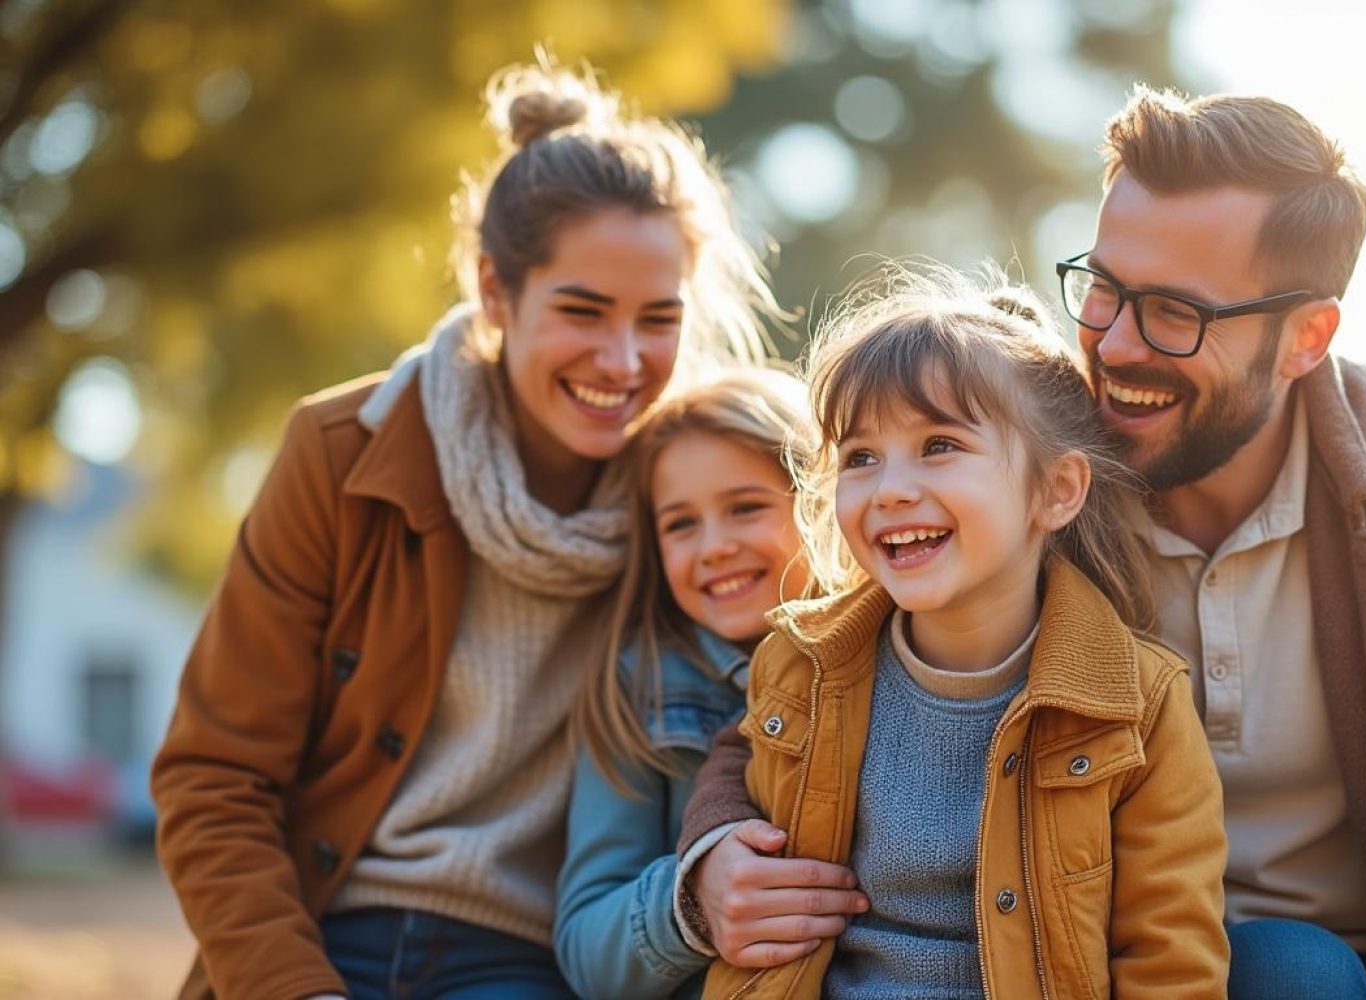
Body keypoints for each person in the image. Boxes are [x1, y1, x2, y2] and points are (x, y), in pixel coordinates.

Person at [678, 87, 1366, 1000]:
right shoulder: (1036, 461)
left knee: (1292, 972)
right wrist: (714, 860)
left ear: (1306, 336)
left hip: (1342, 966)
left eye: (1176, 313)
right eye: (1103, 289)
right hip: (1070, 951)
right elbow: (803, 681)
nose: (1113, 345)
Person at [150, 59, 781, 1000]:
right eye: (582, 311)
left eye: (658, 320)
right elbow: (214, 778)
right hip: (321, 937)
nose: (623, 360)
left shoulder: (692, 504)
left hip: (531, 962)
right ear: (495, 291)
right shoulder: (341, 454)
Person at [699, 267, 1230, 998]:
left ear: (1057, 490)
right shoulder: (800, 663)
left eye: (940, 445)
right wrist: (708, 851)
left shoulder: (1140, 709)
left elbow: (1170, 962)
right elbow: (734, 773)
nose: (890, 489)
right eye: (860, 458)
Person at [554, 367, 839, 999]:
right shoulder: (640, 688)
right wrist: (691, 905)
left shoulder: (902, 652)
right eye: (681, 524)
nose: (713, 546)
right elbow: (583, 948)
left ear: (821, 499)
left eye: (745, 507)